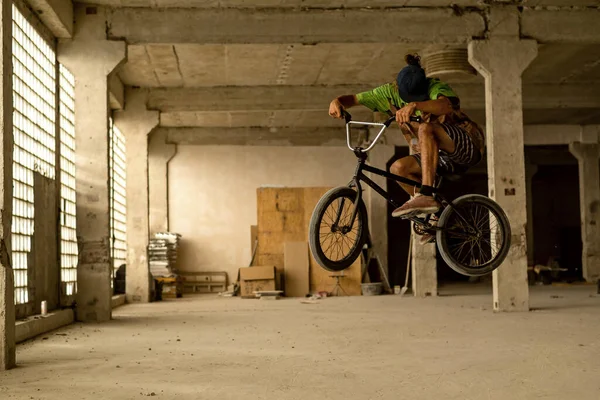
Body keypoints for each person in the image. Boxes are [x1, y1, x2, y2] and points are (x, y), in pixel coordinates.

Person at [328, 54, 484, 242]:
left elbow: (445, 105)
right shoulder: (388, 92)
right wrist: (338, 101)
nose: (412, 100)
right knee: (398, 168)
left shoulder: (436, 87)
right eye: (409, 98)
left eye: (417, 97)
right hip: (437, 157)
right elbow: (353, 99)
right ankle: (438, 214)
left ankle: (426, 194)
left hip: (465, 146)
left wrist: (415, 105)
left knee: (426, 128)